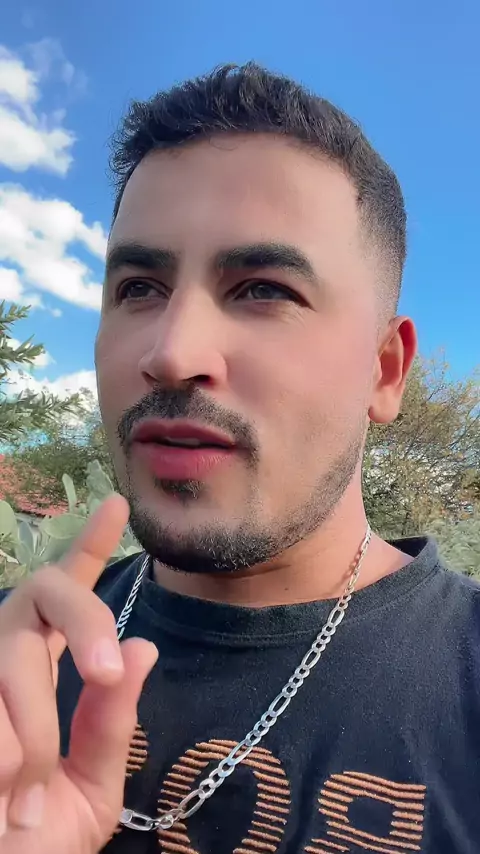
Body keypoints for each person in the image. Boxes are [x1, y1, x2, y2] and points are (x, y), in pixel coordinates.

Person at [0, 62, 478, 854]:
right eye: (139, 287)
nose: (171, 353)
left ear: (384, 371)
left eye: (263, 289)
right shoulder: (15, 663)